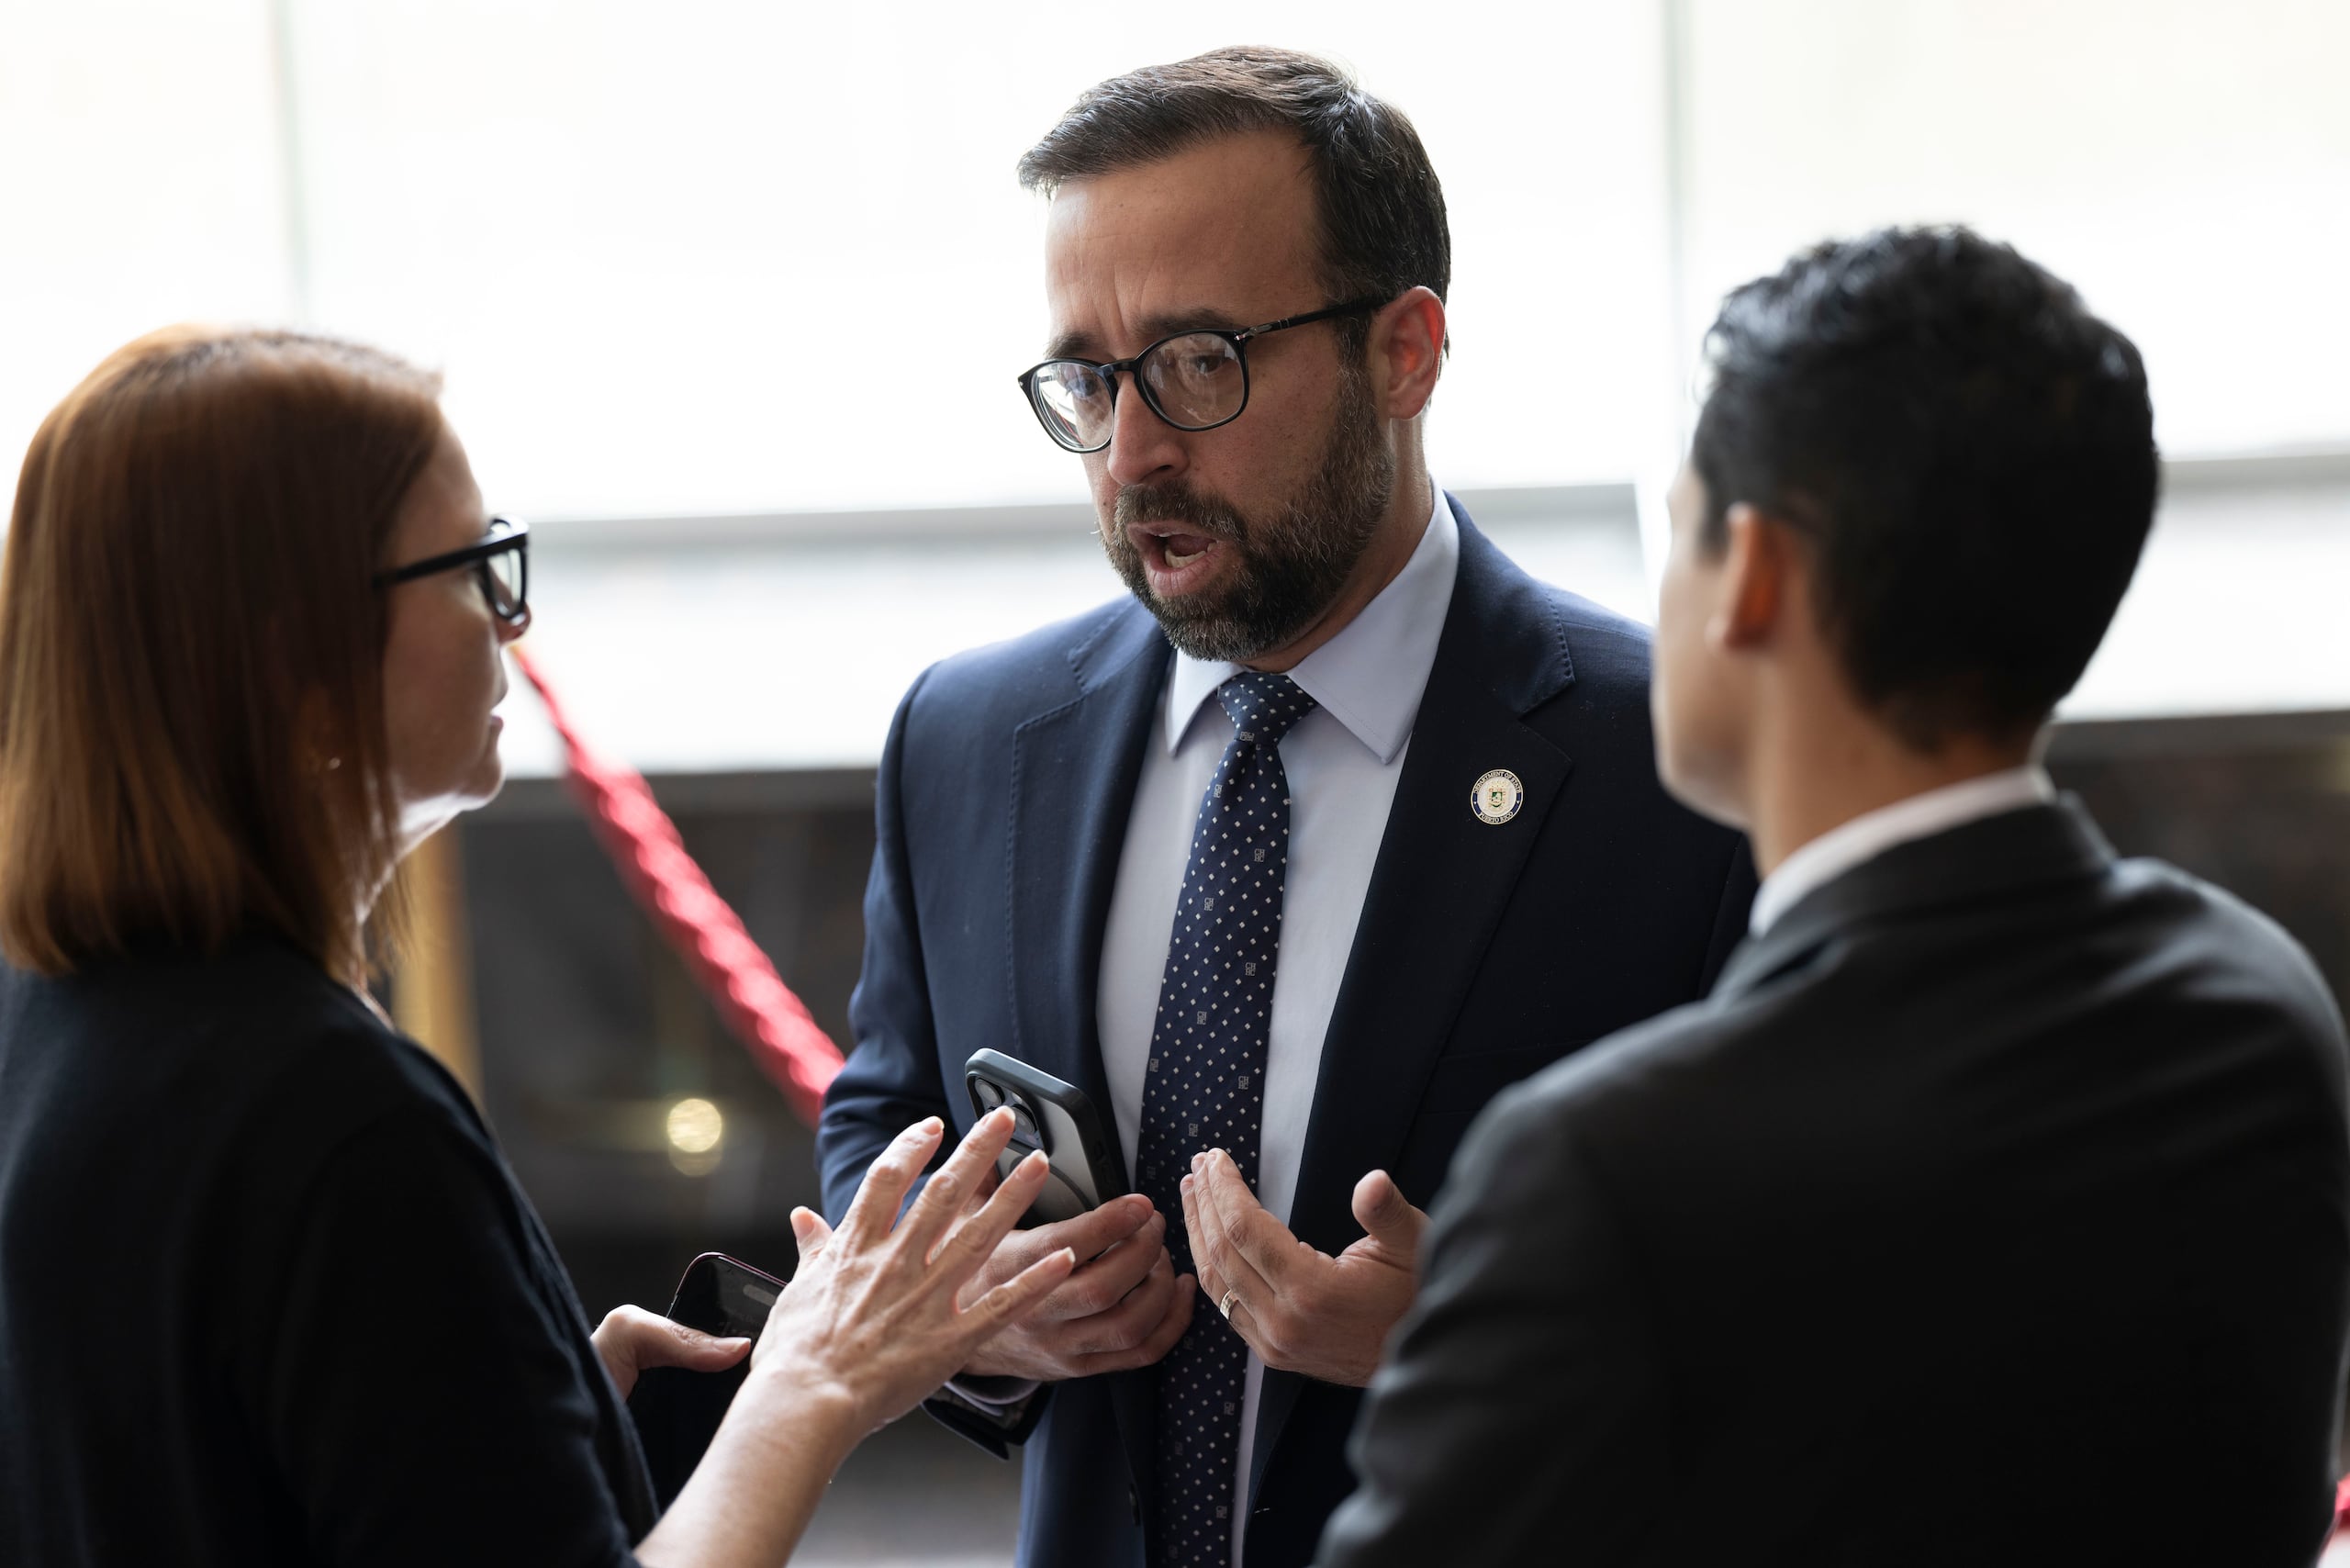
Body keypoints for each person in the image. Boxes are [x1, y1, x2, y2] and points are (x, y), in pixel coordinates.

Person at [815, 47, 1753, 1568]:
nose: (1134, 452)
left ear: (1406, 352)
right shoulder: (971, 737)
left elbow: (1827, 1278)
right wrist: (993, 1312)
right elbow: (882, 1130)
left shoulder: (1683, 759)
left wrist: (1487, 1345)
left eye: (1200, 363)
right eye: (1086, 380)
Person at [1315, 227, 2350, 1566]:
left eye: (1677, 533)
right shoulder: (2263, 1011)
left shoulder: (1607, 1180)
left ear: (1752, 576)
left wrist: (1490, 1331)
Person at [0, 325, 1080, 1568]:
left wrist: (520, 1424)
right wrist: (819, 1382)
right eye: (472, 568)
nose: (510, 621)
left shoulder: (59, 1007)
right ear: (299, 655)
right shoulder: (331, 1117)